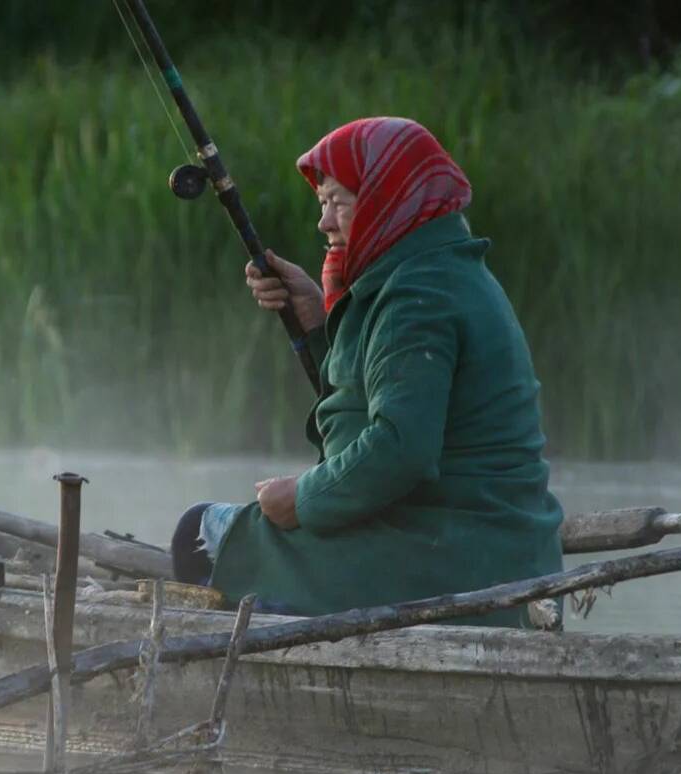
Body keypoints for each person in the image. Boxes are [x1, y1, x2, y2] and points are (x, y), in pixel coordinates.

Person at [170, 116, 564, 626]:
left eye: (339, 202)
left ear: (388, 201)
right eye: (322, 203)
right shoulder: (437, 272)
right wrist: (319, 324)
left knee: (199, 532)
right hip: (486, 547)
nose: (324, 223)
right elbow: (373, 398)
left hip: (452, 557)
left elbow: (399, 450)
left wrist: (301, 498)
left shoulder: (416, 298)